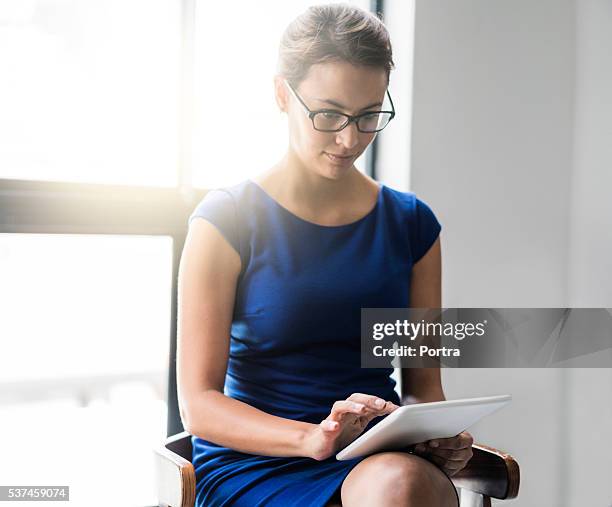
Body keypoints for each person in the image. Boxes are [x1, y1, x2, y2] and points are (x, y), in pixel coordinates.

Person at [177, 3, 472, 506]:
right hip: (256, 461)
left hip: (375, 458)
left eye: (368, 116)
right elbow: (199, 406)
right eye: (329, 113)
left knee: (402, 485)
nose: (348, 138)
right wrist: (313, 437)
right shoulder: (227, 220)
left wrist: (437, 434)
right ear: (281, 95)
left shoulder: (413, 225)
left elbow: (424, 388)